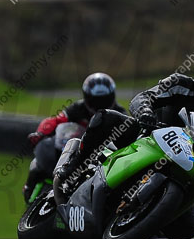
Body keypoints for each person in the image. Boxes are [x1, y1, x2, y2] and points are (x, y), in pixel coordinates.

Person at [54, 48, 194, 239]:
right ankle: (73, 168)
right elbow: (142, 98)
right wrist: (145, 112)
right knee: (104, 118)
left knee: (189, 226)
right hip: (146, 136)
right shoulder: (179, 84)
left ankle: (140, 224)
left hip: (183, 167)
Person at [22, 72, 125, 202]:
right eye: (96, 100)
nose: (100, 105)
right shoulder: (78, 108)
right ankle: (28, 188)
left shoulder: (119, 113)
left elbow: (128, 134)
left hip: (99, 157)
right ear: (87, 97)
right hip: (73, 149)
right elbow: (55, 121)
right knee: (37, 162)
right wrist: (41, 133)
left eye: (104, 100)